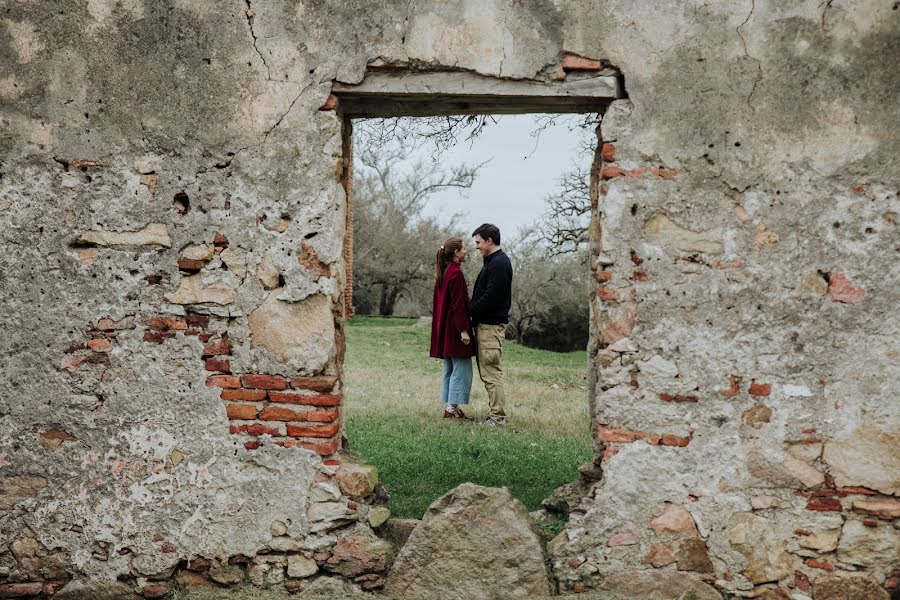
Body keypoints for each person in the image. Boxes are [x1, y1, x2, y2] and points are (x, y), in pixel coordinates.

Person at [470, 223, 513, 426]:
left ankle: (497, 418)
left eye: (478, 242)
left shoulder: (499, 264)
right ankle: (495, 415)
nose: (476, 246)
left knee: (491, 372)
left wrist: (469, 310)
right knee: (488, 372)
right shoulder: (492, 262)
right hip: (486, 325)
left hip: (490, 327)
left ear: (489, 241)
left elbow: (491, 298)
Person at [429, 237, 475, 419]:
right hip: (455, 329)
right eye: (464, 248)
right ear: (456, 253)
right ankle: (451, 410)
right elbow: (458, 305)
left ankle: (451, 408)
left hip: (446, 329)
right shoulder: (455, 273)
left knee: (450, 368)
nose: (466, 251)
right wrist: (463, 330)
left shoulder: (444, 272)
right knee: (461, 370)